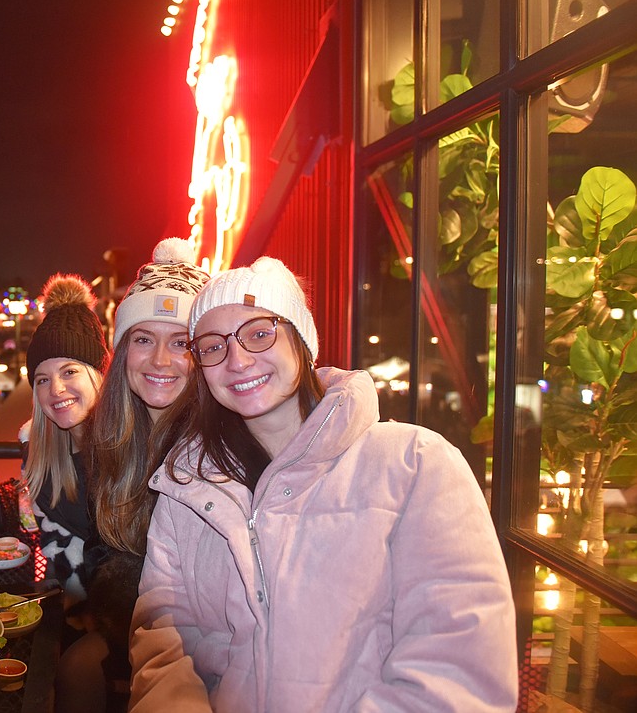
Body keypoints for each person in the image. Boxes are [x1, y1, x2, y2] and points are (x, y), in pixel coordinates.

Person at [128, 257, 518, 712]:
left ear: (302, 341)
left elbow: (458, 670)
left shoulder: (414, 464)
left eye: (259, 333)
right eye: (213, 346)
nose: (237, 360)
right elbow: (162, 637)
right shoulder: (185, 488)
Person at [58, 238, 209, 713]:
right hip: (134, 626)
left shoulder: (220, 449)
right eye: (143, 339)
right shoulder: (112, 439)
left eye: (180, 342)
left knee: (78, 668)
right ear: (123, 351)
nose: (160, 360)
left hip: (207, 641)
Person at [22, 273, 110, 602]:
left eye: (70, 371)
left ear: (98, 374)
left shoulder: (131, 453)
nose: (55, 389)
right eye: (42, 379)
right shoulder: (41, 457)